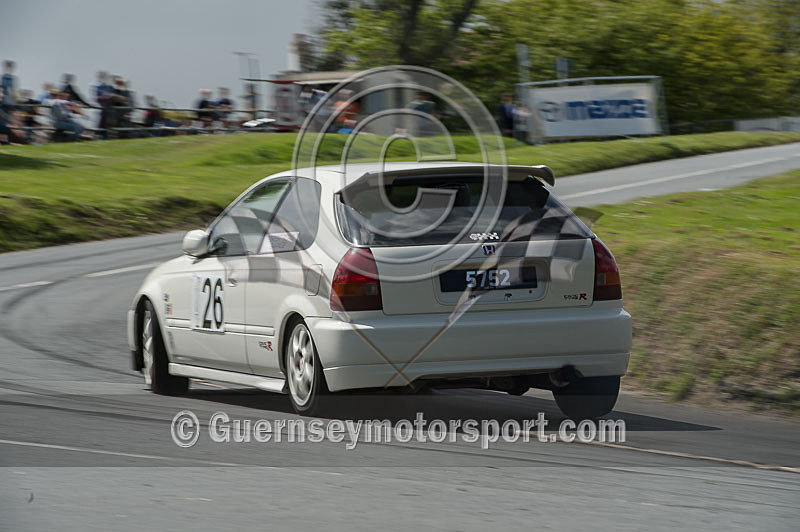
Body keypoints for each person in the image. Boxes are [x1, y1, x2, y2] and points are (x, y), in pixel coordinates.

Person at [94, 71, 114, 137]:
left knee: (104, 122)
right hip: (103, 109)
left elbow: (112, 96)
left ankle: (101, 134)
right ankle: (102, 134)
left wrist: (106, 96)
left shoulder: (110, 87)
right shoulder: (98, 87)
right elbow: (97, 97)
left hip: (108, 109)